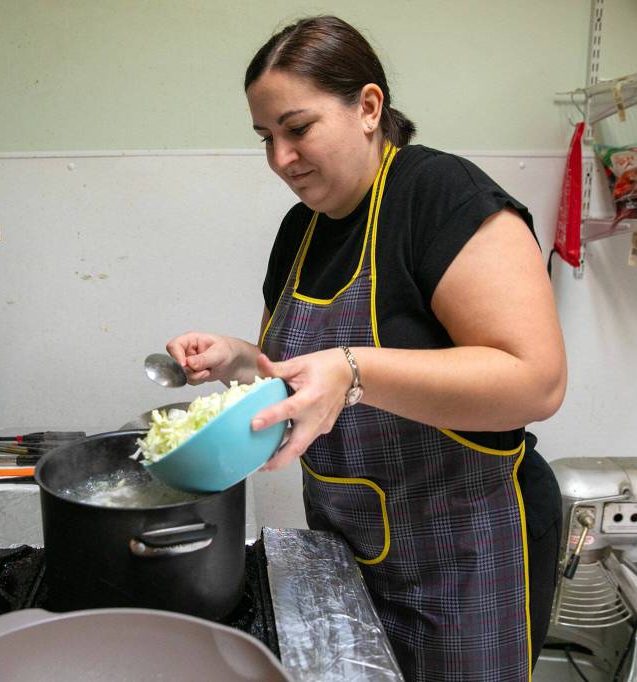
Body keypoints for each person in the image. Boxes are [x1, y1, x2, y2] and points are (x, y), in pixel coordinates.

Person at [166, 15, 566, 682]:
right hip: (348, 554)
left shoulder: (439, 196)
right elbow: (300, 379)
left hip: (465, 557)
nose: (279, 159)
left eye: (298, 130)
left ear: (368, 108)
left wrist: (354, 371)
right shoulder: (300, 231)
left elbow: (536, 382)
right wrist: (239, 360)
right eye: (266, 138)